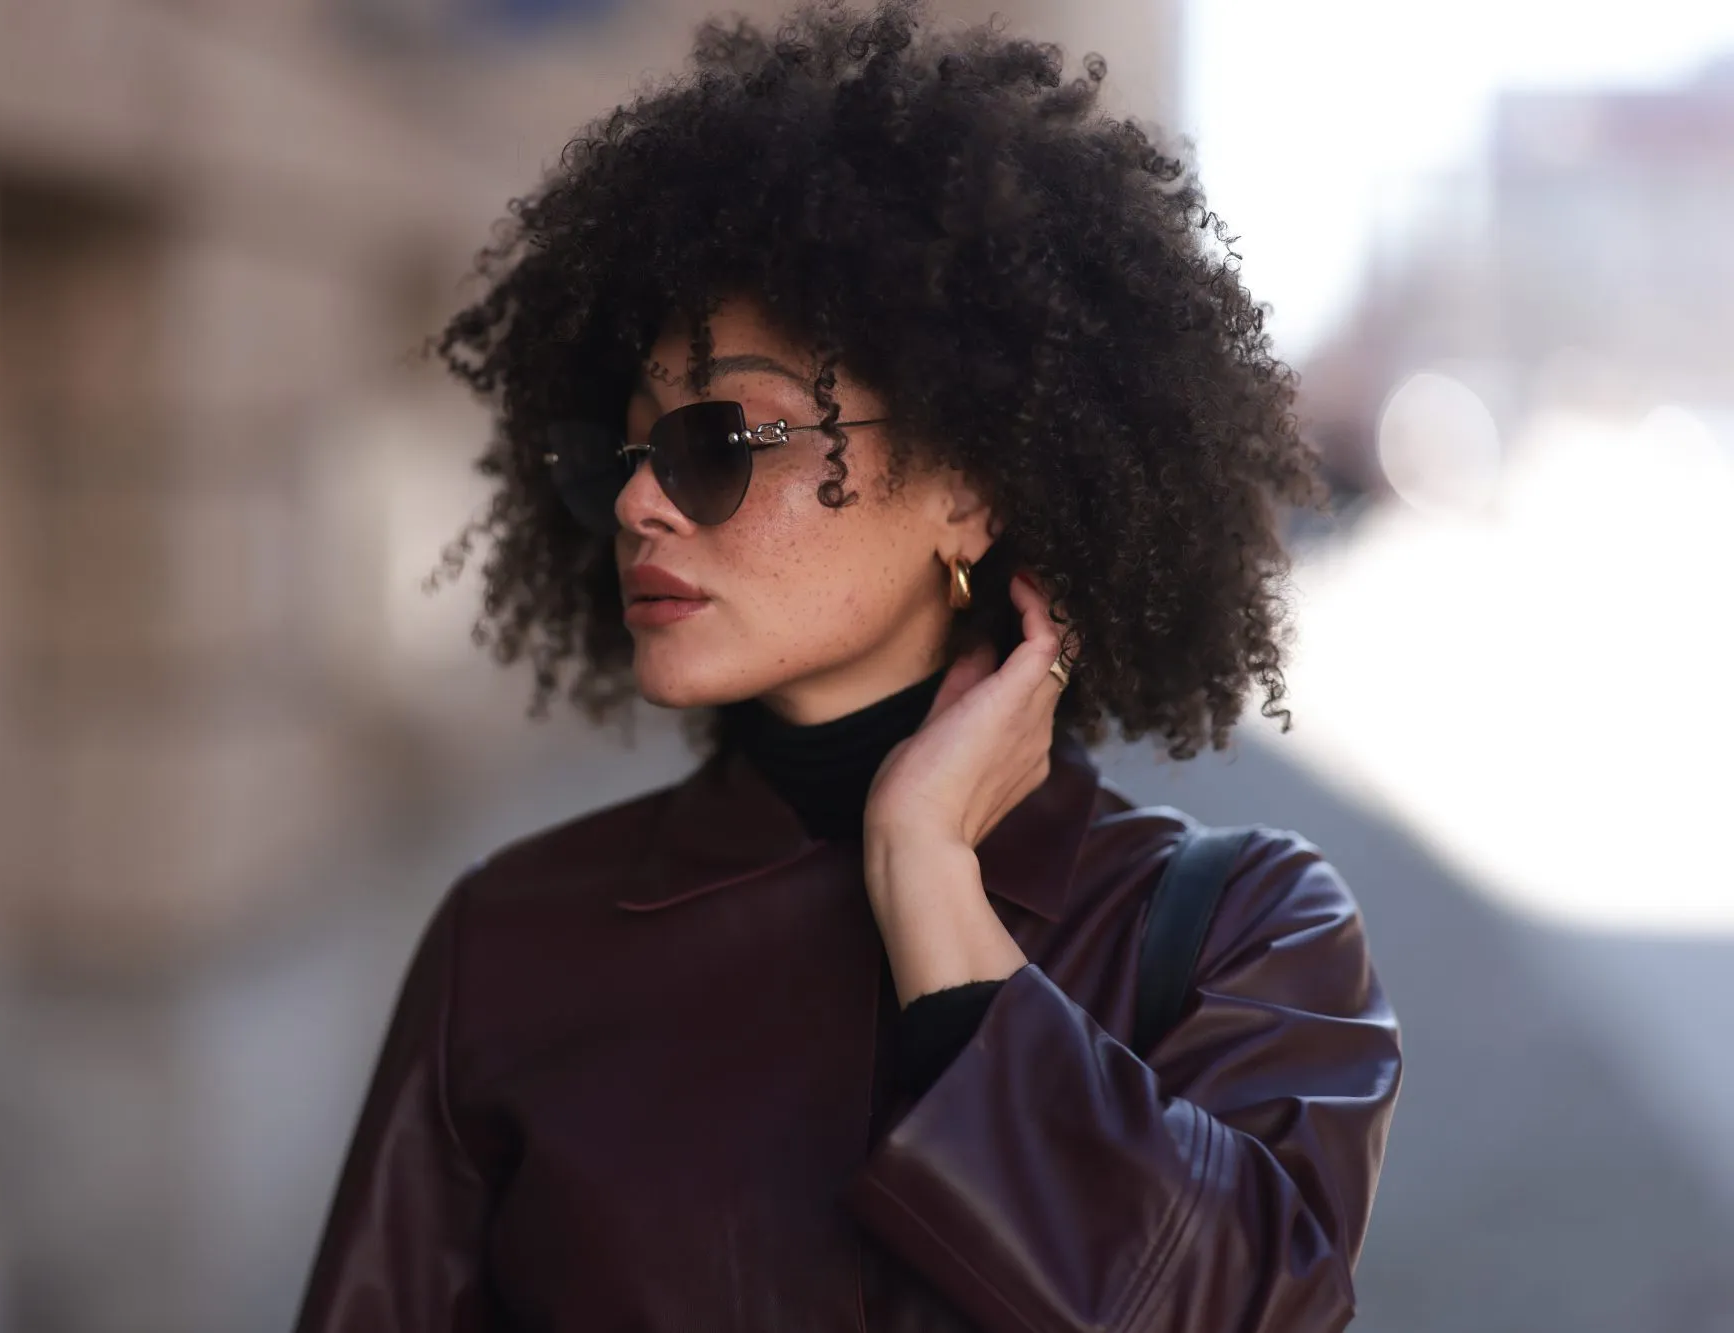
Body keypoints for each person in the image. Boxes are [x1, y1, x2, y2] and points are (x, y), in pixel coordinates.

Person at [296, 3, 1402, 1329]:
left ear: (971, 489)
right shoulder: (514, 943)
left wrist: (933, 890)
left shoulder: (1243, 934)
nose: (646, 505)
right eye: (627, 455)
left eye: (721, 439)